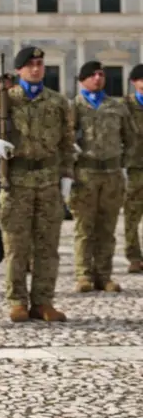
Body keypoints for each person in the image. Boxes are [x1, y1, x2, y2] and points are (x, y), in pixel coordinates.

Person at [0, 46, 73, 323]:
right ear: (19, 70)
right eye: (30, 64)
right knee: (16, 246)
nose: (35, 68)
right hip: (16, 182)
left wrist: (67, 175)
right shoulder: (6, 99)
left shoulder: (57, 101)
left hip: (48, 181)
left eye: (40, 63)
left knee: (47, 246)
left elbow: (67, 142)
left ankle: (43, 302)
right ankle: (17, 300)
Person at [70, 60, 135, 292]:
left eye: (101, 74)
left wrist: (122, 164)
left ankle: (104, 275)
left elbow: (131, 138)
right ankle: (83, 275)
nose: (98, 78)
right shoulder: (74, 107)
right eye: (93, 75)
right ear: (82, 80)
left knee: (107, 227)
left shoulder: (116, 106)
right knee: (84, 227)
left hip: (112, 175)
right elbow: (65, 139)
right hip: (86, 174)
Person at [125, 64, 143, 275]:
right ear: (134, 82)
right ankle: (134, 257)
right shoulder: (125, 106)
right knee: (131, 216)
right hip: (133, 167)